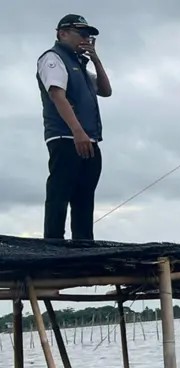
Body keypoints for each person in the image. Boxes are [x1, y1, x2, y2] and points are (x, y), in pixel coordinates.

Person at [37, 14, 112, 240]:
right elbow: (56, 94)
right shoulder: (54, 58)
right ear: (63, 33)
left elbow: (105, 90)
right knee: (59, 195)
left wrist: (96, 59)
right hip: (65, 137)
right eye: (82, 34)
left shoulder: (80, 65)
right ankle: (53, 246)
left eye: (89, 36)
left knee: (84, 197)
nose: (86, 39)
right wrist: (77, 131)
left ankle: (83, 245)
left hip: (90, 139)